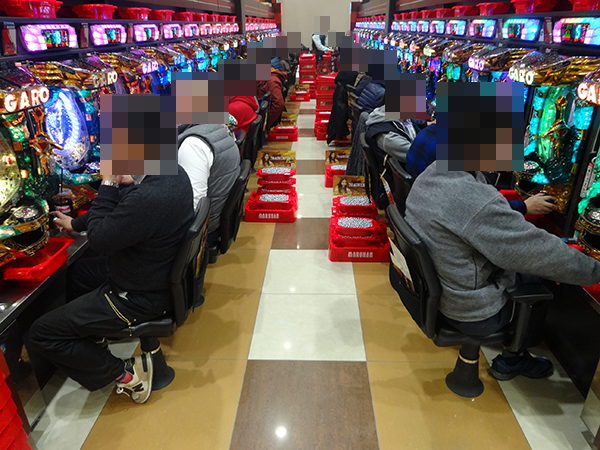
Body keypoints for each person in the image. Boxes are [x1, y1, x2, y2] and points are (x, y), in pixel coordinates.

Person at [404, 162, 600, 380]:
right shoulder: (472, 199)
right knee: (539, 278)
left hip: (435, 292)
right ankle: (513, 358)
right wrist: (594, 270)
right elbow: (536, 252)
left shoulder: (433, 171)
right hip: (469, 310)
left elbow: (478, 215)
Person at [30, 170, 194, 403]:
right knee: (79, 273)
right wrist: (76, 222)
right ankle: (95, 341)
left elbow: (99, 237)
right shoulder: (174, 172)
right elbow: (124, 211)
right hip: (152, 273)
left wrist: (108, 183)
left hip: (137, 297)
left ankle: (125, 374)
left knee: (42, 333)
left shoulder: (148, 196)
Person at [405, 123, 557, 216]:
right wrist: (524, 207)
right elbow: (475, 208)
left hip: (424, 208)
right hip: (444, 215)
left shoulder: (432, 130)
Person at [177, 123, 241, 247]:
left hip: (205, 230)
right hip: (216, 219)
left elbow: (194, 204)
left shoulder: (193, 145)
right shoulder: (218, 129)